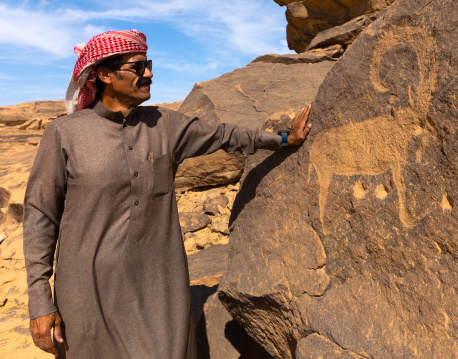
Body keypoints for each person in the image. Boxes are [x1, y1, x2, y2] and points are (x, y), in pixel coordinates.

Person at [23, 30, 312, 358]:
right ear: (104, 74)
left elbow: (225, 135)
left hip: (160, 288)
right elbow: (40, 217)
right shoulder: (64, 134)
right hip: (88, 294)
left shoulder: (165, 125)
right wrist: (40, 303)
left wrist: (283, 139)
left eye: (148, 64)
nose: (148, 73)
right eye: (137, 66)